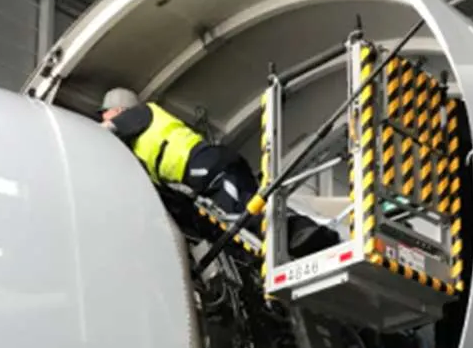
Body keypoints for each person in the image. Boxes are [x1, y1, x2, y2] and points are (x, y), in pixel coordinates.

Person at [100, 88, 339, 257]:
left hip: (206, 166)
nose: (103, 117)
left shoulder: (140, 114)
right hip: (209, 168)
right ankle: (315, 236)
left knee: (243, 214)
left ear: (119, 109)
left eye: (105, 112)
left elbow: (107, 130)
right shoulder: (139, 141)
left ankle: (304, 235)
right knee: (247, 212)